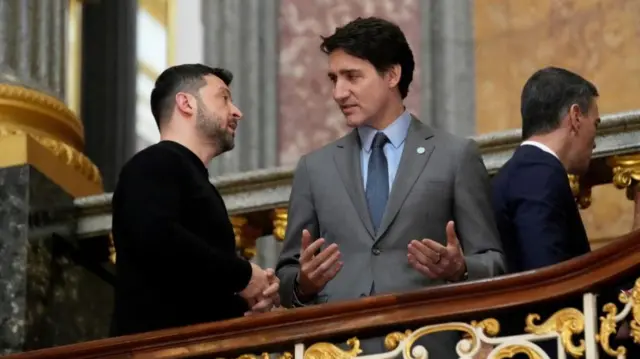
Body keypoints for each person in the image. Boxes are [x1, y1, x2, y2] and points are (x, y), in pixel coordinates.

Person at [275, 17, 505, 358]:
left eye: (352, 77)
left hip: (430, 345)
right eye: (333, 79)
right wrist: (303, 284)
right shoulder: (314, 168)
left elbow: (495, 263)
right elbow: (287, 275)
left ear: (392, 76)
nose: (339, 92)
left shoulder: (456, 156)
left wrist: (460, 268)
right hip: (338, 349)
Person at [111, 64, 280, 336]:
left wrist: (248, 303)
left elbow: (186, 285)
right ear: (186, 103)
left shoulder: (188, 175)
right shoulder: (152, 163)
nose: (237, 111)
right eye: (224, 98)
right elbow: (156, 238)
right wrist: (244, 276)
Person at [491, 67, 599, 273]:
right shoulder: (540, 175)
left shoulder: (513, 173)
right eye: (596, 125)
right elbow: (548, 277)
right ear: (576, 117)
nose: (595, 142)